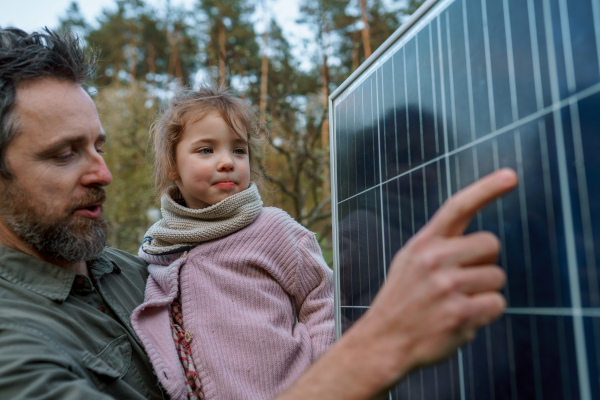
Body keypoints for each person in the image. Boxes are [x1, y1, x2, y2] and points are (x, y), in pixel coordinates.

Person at [0, 27, 516, 399]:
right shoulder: (15, 349)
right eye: (64, 154)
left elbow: (310, 300)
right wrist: (375, 351)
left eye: (99, 147)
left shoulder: (139, 267)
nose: (102, 174)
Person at [130, 86, 335, 399]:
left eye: (239, 150)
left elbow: (324, 301)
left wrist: (321, 379)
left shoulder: (273, 229)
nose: (227, 162)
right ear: (172, 165)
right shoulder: (160, 249)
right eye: (206, 150)